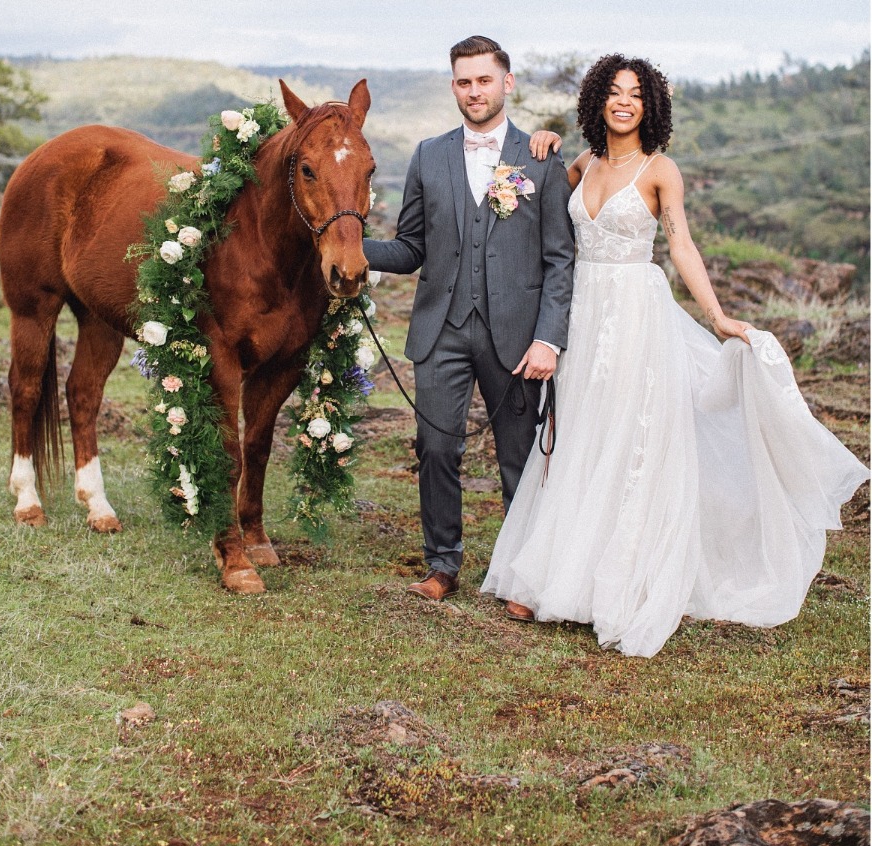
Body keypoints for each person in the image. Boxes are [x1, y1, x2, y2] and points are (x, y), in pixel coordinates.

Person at [482, 53, 869, 656]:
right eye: (613, 91)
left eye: (635, 94)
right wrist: (543, 141)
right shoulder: (580, 165)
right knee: (576, 431)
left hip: (636, 313)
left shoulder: (662, 171)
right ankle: (550, 573)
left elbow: (681, 246)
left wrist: (717, 318)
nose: (623, 101)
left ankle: (613, 579)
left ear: (649, 106)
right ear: (597, 101)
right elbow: (529, 210)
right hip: (581, 311)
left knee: (625, 439)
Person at [363, 35, 575, 602]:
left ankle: (521, 575)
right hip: (442, 330)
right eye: (463, 81)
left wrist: (549, 338)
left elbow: (560, 258)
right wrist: (351, 248)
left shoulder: (541, 157)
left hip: (517, 335)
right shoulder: (428, 155)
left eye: (484, 80)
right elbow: (410, 248)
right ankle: (442, 565)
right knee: (435, 449)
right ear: (452, 86)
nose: (474, 91)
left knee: (519, 456)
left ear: (507, 83)